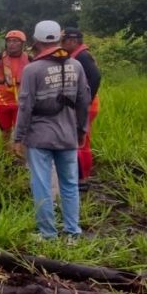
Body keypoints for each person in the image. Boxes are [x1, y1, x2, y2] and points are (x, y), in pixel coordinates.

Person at [13, 21, 91, 240]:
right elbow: (84, 100)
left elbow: (25, 106)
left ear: (36, 41)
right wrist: (82, 129)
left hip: (39, 138)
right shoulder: (75, 65)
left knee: (41, 184)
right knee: (70, 184)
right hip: (68, 135)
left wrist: (18, 137)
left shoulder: (32, 69)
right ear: (59, 38)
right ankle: (73, 233)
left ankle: (48, 234)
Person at [61, 28, 102, 185]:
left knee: (81, 141)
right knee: (81, 140)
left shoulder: (82, 56)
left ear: (72, 41)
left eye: (63, 41)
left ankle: (82, 178)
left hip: (87, 106)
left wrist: (85, 101)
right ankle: (81, 176)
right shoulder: (78, 55)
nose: (61, 45)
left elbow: (96, 77)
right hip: (85, 105)